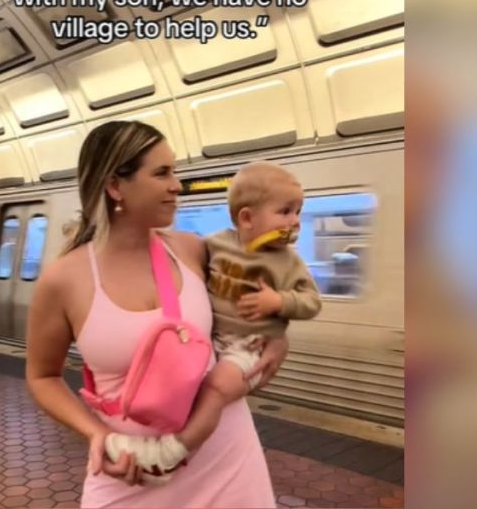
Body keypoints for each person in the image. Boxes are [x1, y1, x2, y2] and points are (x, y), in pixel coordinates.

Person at [25, 120, 287, 508]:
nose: (176, 185)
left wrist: (277, 335)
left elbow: (254, 311)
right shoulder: (64, 280)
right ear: (116, 186)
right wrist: (97, 436)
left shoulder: (192, 251)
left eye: (174, 171)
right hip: (134, 470)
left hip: (226, 460)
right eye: (162, 173)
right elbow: (42, 376)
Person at [104, 161, 321, 473]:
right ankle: (150, 434)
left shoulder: (289, 263)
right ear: (246, 217)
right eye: (286, 212)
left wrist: (280, 301)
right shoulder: (215, 245)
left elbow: (312, 302)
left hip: (249, 345)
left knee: (217, 388)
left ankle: (171, 453)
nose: (296, 221)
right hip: (210, 338)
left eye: (298, 211)